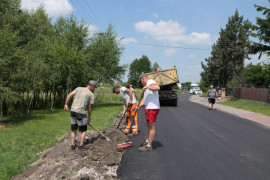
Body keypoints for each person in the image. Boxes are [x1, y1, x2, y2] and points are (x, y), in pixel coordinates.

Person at [64, 80, 97, 150]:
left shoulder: (78, 88)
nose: (94, 88)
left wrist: (66, 104)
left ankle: (72, 145)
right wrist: (89, 117)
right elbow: (90, 107)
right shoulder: (91, 94)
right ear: (92, 86)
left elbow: (69, 95)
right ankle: (81, 145)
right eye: (94, 87)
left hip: (73, 112)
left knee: (73, 129)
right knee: (83, 130)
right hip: (81, 113)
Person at [136, 74, 160, 152]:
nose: (141, 83)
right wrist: (138, 106)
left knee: (151, 126)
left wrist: (147, 87)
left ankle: (149, 146)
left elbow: (157, 87)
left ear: (143, 79)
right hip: (149, 108)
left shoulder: (150, 81)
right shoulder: (147, 86)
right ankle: (147, 141)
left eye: (140, 81)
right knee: (148, 125)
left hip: (152, 108)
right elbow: (144, 99)